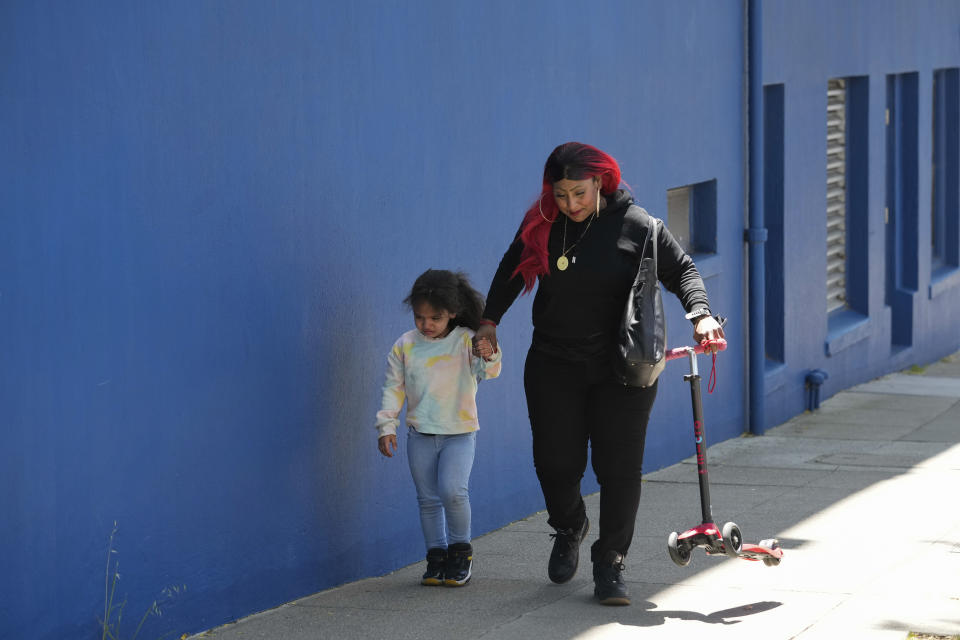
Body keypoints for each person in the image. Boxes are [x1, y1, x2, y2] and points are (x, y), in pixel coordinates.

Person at [474, 142, 723, 605]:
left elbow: (682, 271)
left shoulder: (639, 226)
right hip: (554, 362)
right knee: (554, 463)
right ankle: (569, 524)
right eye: (562, 194)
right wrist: (489, 320)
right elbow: (512, 270)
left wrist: (701, 315)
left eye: (580, 194)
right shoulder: (542, 224)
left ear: (600, 182)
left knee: (618, 468)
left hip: (621, 367)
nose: (570, 204)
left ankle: (610, 563)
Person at [376, 268, 502, 587]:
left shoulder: (465, 340)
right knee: (428, 499)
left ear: (453, 313)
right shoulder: (405, 346)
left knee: (453, 492)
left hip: (459, 434)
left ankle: (461, 553)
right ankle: (436, 556)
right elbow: (393, 387)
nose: (426, 325)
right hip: (419, 436)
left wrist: (489, 353)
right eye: (420, 317)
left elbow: (490, 372)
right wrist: (386, 426)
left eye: (435, 318)